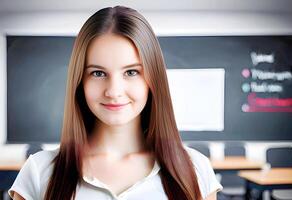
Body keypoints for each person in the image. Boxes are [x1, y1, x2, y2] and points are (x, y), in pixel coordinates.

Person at [8, 6, 222, 200]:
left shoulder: (195, 170)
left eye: (131, 72)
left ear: (152, 78)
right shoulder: (39, 172)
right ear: (80, 81)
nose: (114, 91)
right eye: (98, 73)